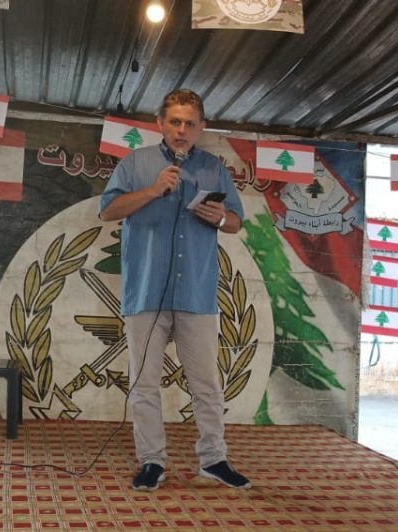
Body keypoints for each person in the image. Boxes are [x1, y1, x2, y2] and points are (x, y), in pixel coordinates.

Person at [99, 88, 249, 492]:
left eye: (190, 124)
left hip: (196, 294)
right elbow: (107, 210)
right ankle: (152, 462)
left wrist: (220, 218)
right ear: (160, 124)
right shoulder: (136, 163)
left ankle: (214, 460)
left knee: (207, 385)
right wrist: (152, 190)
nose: (182, 130)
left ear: (201, 127)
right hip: (146, 291)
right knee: (144, 384)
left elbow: (236, 222)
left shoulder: (214, 169)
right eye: (175, 122)